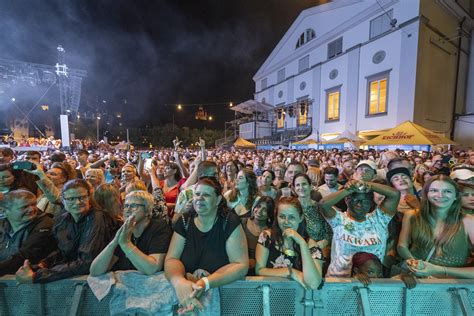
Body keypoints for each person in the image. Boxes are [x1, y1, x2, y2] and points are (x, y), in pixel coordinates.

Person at [165, 177, 248, 313]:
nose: (200, 198)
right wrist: (179, 282)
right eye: (197, 194)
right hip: (185, 294)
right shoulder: (185, 221)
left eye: (206, 195)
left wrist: (204, 283)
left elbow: (240, 265)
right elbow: (171, 259)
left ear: (218, 200)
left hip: (224, 298)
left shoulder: (229, 222)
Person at [15, 179, 115, 284]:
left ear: (89, 197)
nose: (77, 202)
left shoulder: (97, 218)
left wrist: (38, 276)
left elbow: (86, 262)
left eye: (82, 197)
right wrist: (42, 265)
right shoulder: (62, 219)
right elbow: (63, 252)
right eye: (71, 198)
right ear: (63, 200)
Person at [397, 175, 474, 279]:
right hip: (416, 281)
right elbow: (402, 245)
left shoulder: (469, 222)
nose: (440, 195)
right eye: (434, 190)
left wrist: (436, 270)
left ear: (456, 196)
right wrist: (415, 263)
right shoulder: (412, 215)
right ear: (426, 194)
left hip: (450, 287)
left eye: (447, 191)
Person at [319, 179, 400, 277]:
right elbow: (323, 204)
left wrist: (367, 184)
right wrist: (349, 190)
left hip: (373, 281)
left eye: (365, 201)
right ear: (347, 200)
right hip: (339, 279)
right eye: (355, 200)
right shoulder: (339, 219)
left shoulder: (379, 219)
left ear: (370, 203)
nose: (359, 204)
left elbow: (395, 194)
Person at [90, 191, 171, 276]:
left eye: (134, 206)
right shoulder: (123, 228)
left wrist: (126, 243)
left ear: (147, 211)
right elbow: (95, 271)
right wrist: (114, 242)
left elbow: (151, 269)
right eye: (126, 206)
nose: (128, 210)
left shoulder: (159, 228)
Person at [255, 197, 323, 290]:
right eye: (282, 216)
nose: (286, 222)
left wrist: (302, 243)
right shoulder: (266, 237)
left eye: (292, 217)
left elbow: (314, 284)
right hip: (269, 294)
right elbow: (259, 270)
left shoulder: (312, 246)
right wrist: (291, 272)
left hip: (299, 299)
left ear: (301, 218)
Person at [0, 190, 56, 276]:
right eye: (24, 207)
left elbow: (26, 255)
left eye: (34, 204)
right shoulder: (2, 225)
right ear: (4, 211)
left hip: (32, 281)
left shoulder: (45, 224)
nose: (32, 209)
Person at [293, 173, 332, 256]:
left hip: (318, 251)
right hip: (295, 250)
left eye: (304, 184)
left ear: (311, 186)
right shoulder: (291, 208)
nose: (301, 187)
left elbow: (329, 232)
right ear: (294, 189)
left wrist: (321, 244)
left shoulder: (319, 207)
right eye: (298, 185)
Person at [241, 196, 275, 275]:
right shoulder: (241, 223)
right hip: (240, 267)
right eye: (258, 206)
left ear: (269, 214)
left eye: (265, 210)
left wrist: (256, 262)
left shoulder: (271, 232)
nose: (259, 211)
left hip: (261, 271)